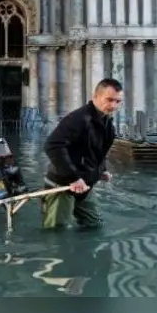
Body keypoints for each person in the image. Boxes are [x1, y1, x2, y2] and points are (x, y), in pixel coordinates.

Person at [40, 78, 123, 230]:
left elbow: (97, 151)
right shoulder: (78, 119)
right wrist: (74, 178)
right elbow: (52, 145)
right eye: (109, 100)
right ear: (95, 97)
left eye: (118, 101)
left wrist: (102, 169)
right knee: (57, 231)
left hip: (84, 185)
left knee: (94, 225)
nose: (114, 106)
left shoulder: (106, 122)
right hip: (63, 185)